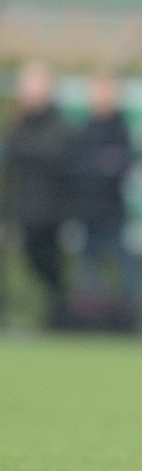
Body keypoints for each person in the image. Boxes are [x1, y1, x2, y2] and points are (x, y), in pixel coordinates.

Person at [69, 73, 142, 331]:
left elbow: (120, 166)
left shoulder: (120, 128)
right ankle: (92, 316)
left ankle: (132, 315)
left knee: (124, 261)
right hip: (88, 210)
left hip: (113, 210)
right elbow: (79, 166)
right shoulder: (86, 128)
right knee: (89, 265)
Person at [0, 61, 70, 327]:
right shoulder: (18, 120)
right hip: (20, 205)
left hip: (48, 209)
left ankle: (60, 311)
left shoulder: (56, 121)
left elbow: (50, 154)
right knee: (27, 257)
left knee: (48, 262)